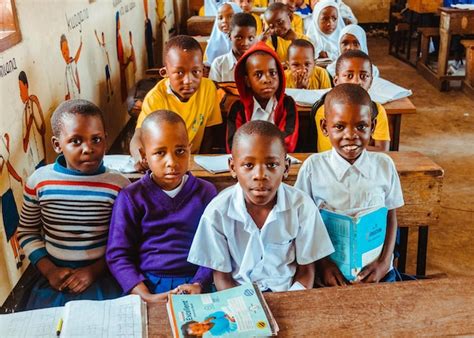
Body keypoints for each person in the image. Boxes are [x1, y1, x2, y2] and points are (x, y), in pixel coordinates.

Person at [188, 120, 334, 292]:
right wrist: (246, 307)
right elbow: (222, 277)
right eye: (248, 165)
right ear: (233, 167)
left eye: (271, 165)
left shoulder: (301, 207)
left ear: (286, 167)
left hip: (288, 293)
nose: (260, 175)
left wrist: (292, 301)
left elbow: (306, 270)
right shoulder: (217, 212)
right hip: (237, 294)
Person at [17, 99, 130, 309]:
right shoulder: (39, 181)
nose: (88, 148)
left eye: (96, 139)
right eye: (76, 141)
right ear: (57, 144)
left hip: (104, 273)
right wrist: (49, 270)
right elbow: (27, 232)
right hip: (53, 275)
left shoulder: (119, 186)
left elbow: (126, 240)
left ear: (105, 140)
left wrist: (94, 271)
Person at [295, 84, 404, 285]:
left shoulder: (384, 165)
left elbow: (390, 217)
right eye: (339, 126)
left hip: (376, 273)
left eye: (361, 126)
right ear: (324, 127)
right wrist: (323, 264)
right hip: (329, 273)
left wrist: (384, 262)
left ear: (372, 127)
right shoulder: (313, 168)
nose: (351, 135)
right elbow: (304, 224)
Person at [107, 110, 216, 302]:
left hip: (198, 281)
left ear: (190, 149)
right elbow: (118, 255)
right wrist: (145, 295)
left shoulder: (206, 192)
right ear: (144, 155)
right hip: (148, 283)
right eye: (159, 153)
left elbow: (216, 247)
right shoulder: (131, 197)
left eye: (180, 151)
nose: (172, 162)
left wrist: (199, 283)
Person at [130, 35, 222, 172]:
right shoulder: (155, 98)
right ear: (165, 72)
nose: (188, 80)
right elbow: (138, 136)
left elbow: (210, 132)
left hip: (195, 162)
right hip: (166, 164)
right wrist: (139, 158)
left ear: (203, 70)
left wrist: (202, 163)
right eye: (179, 72)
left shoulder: (208, 88)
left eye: (196, 72)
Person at [226, 42, 299, 153]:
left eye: (273, 73)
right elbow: (233, 145)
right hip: (248, 165)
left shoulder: (287, 104)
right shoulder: (238, 108)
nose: (267, 79)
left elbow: (288, 142)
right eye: (258, 74)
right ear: (247, 81)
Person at [312, 50, 390, 152]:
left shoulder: (378, 110)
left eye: (364, 76)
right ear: (336, 81)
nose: (357, 81)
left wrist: (353, 147)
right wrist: (363, 146)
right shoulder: (325, 111)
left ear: (371, 81)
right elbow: (333, 150)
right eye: (349, 76)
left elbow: (383, 151)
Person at [209, 12, 257, 82]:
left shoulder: (259, 63)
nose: (245, 43)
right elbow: (214, 91)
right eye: (239, 38)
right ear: (229, 36)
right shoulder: (219, 64)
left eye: (251, 38)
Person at [60, 34, 82, 100]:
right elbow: (66, 93)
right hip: (71, 100)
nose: (66, 54)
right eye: (64, 53)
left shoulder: (73, 63)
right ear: (62, 54)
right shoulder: (65, 72)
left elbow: (77, 56)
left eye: (67, 49)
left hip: (78, 96)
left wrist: (80, 45)